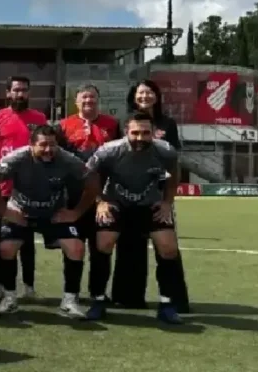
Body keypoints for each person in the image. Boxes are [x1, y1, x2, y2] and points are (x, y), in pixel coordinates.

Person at [0, 125, 98, 316]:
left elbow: (93, 182)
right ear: (31, 145)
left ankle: (70, 300)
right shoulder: (17, 158)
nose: (48, 150)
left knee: (76, 247)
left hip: (53, 213)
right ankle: (9, 297)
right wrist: (4, 210)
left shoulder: (67, 159)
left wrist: (76, 213)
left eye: (52, 145)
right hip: (21, 212)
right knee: (6, 248)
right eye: (43, 145)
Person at [87, 113, 184, 324]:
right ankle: (98, 300)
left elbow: (174, 174)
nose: (140, 138)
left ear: (153, 133)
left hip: (150, 205)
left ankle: (167, 304)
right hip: (117, 204)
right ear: (126, 132)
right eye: (135, 133)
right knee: (103, 243)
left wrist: (168, 201)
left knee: (168, 248)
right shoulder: (109, 151)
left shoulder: (165, 151)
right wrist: (100, 201)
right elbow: (91, 174)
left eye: (146, 133)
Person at [112, 79, 191, 312]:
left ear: (156, 97)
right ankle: (128, 298)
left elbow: (173, 161)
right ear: (133, 98)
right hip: (128, 193)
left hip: (157, 194)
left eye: (149, 93)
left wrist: (168, 200)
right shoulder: (125, 122)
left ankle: (175, 300)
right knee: (129, 247)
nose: (144, 97)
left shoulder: (168, 124)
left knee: (167, 248)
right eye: (140, 94)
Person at [58, 83, 121, 320]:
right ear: (76, 102)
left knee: (101, 248)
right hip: (73, 199)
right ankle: (71, 296)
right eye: (84, 98)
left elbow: (118, 160)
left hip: (103, 199)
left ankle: (98, 297)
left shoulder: (112, 125)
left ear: (98, 100)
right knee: (73, 247)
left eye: (92, 98)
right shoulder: (63, 126)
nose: (88, 102)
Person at [0, 75, 47, 303]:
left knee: (27, 240)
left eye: (24, 90)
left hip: (30, 190)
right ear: (8, 92)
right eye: (16, 90)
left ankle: (28, 286)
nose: (20, 94)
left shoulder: (39, 119)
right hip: (3, 189)